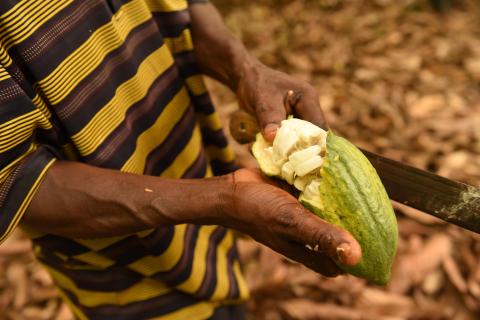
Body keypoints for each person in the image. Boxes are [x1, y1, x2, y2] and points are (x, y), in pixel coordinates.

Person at [0, 0, 361, 319]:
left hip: (207, 220)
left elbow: (180, 7)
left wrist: (244, 70)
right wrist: (221, 200)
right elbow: (15, 181)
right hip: (127, 279)